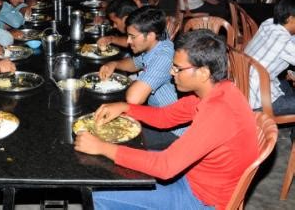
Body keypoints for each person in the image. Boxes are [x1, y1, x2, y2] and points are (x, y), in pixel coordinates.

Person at [75, 29, 259, 209]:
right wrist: (126, 108)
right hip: (191, 177)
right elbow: (165, 117)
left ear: (203, 72)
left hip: (201, 199)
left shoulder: (219, 113)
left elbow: (165, 167)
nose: (172, 72)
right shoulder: (218, 91)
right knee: (113, 165)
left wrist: (102, 147)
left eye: (178, 68)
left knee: (97, 194)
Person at [99, 8, 177, 107]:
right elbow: (135, 63)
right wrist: (114, 64)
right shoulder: (156, 43)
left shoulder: (163, 57)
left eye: (133, 37)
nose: (128, 41)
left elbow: (134, 99)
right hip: (155, 110)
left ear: (150, 36)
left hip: (168, 116)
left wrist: (135, 82)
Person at [245, 0, 295, 115]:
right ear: (290, 18)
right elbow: (289, 44)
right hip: (260, 101)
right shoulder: (285, 42)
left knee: (286, 86)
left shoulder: (269, 23)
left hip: (244, 86)